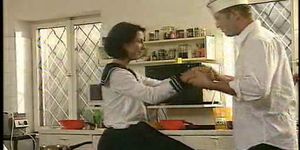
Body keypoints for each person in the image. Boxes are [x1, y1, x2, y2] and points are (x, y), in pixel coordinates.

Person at [183, 1, 298, 150]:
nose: (217, 25)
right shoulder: (257, 39)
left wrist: (209, 84)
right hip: (264, 138)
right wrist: (220, 78)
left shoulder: (257, 41)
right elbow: (254, 81)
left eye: (218, 18)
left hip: (266, 139)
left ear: (235, 15)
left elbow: (256, 88)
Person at [97, 22, 194, 150]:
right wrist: (184, 79)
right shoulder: (117, 74)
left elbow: (158, 84)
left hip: (132, 134)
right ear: (125, 44)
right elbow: (151, 96)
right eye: (139, 41)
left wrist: (188, 78)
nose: (142, 47)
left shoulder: (126, 72)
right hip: (122, 138)